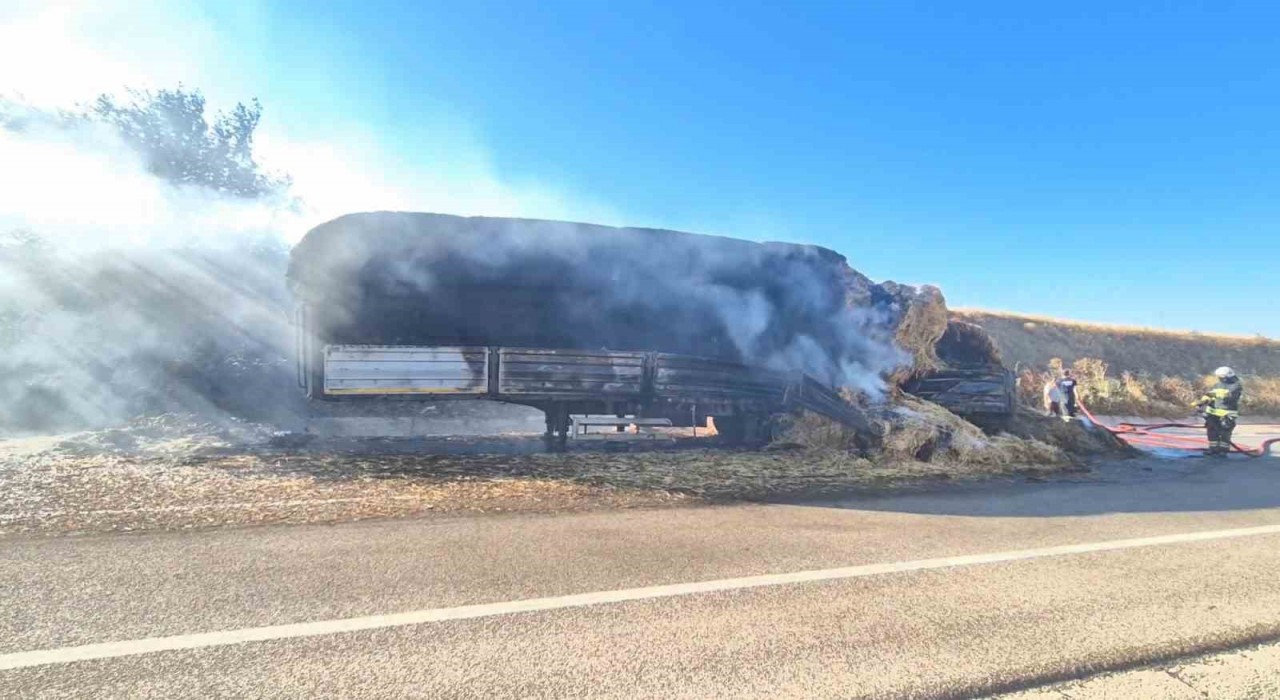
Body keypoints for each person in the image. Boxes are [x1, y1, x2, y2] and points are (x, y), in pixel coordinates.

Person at [1193, 366, 1244, 456]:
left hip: (1227, 413)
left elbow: (1228, 395)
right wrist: (1202, 401)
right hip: (1212, 413)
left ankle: (1223, 450)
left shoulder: (1236, 385)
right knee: (1212, 431)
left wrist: (1213, 394)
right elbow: (1210, 394)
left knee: (1225, 432)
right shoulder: (1217, 385)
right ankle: (1213, 449)